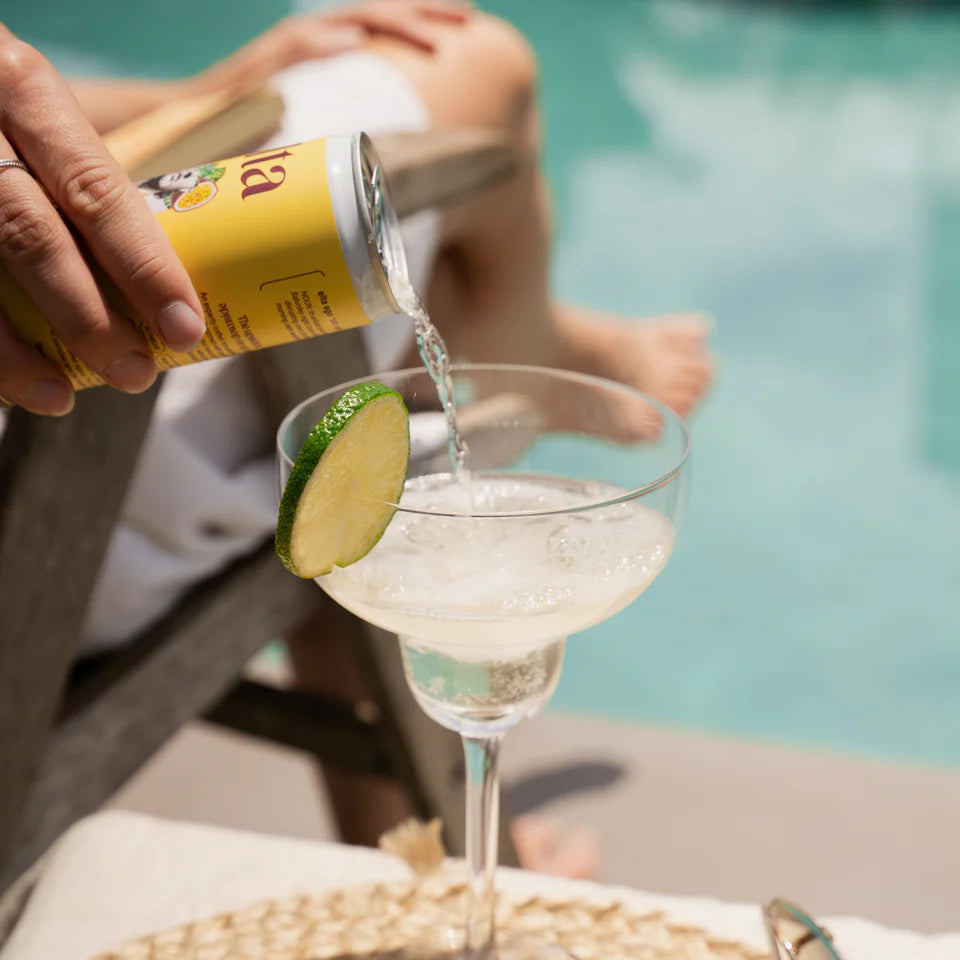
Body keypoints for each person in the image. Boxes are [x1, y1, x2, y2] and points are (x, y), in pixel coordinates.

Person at [0, 2, 712, 876]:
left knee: (359, 418)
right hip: (56, 536)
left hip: (62, 501)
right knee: (476, 63)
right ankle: (523, 357)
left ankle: (432, 866)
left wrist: (193, 99)